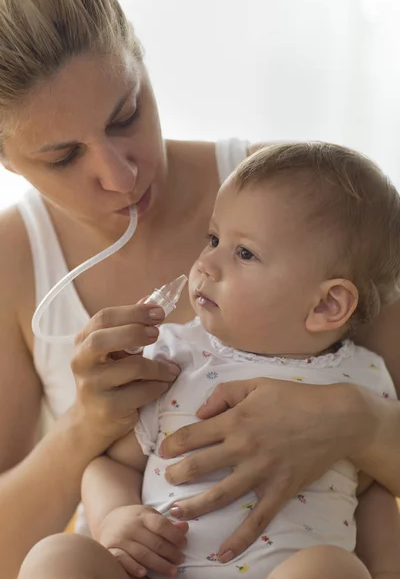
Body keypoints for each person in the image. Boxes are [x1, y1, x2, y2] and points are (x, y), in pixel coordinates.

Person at [0, 0, 398, 577]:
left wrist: (358, 422)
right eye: (63, 157)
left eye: (127, 114)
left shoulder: (307, 200)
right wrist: (90, 426)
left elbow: (375, 503)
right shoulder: (18, 261)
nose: (120, 174)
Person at [19, 143, 400, 579]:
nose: (206, 264)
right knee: (57, 558)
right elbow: (113, 462)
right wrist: (114, 519)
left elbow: (374, 498)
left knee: (331, 569)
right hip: (159, 570)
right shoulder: (173, 357)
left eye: (244, 253)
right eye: (214, 239)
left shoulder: (363, 377)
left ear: (328, 305)